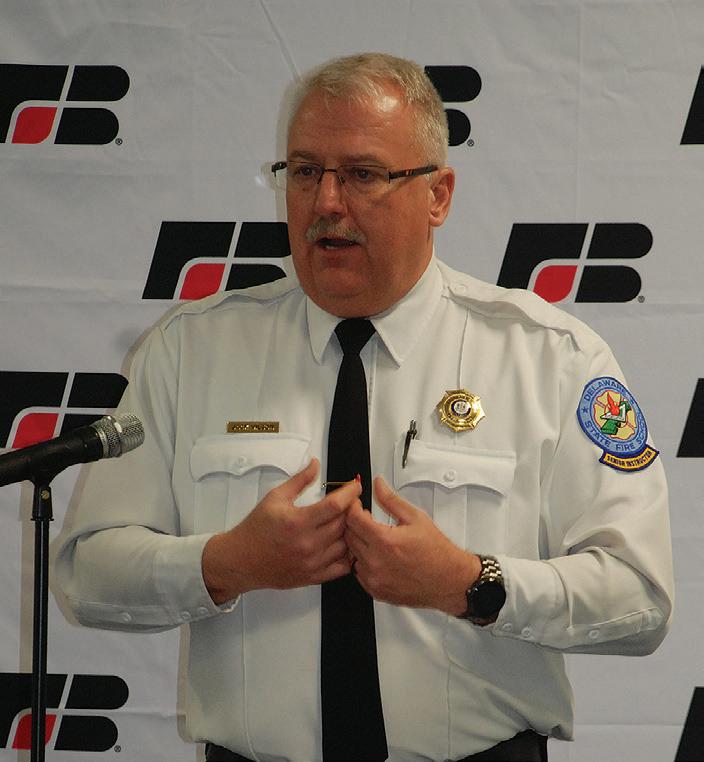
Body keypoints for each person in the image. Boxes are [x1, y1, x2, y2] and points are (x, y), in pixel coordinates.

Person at [55, 53, 674, 762]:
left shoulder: (549, 358)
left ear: (438, 195)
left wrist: (471, 584)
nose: (326, 202)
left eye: (362, 174)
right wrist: (227, 562)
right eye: (305, 172)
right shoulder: (192, 350)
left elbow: (640, 598)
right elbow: (88, 574)